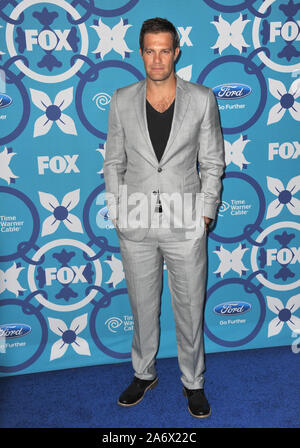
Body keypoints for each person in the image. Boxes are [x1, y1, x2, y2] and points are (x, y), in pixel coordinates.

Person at [103, 17, 225, 418]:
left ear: (176, 52)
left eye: (164, 50)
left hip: (186, 223)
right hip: (135, 223)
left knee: (190, 308)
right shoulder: (121, 99)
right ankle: (144, 373)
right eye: (150, 50)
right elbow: (113, 162)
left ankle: (193, 382)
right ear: (141, 53)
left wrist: (205, 213)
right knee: (142, 306)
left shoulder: (203, 98)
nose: (157, 59)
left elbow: (212, 161)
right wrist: (117, 210)